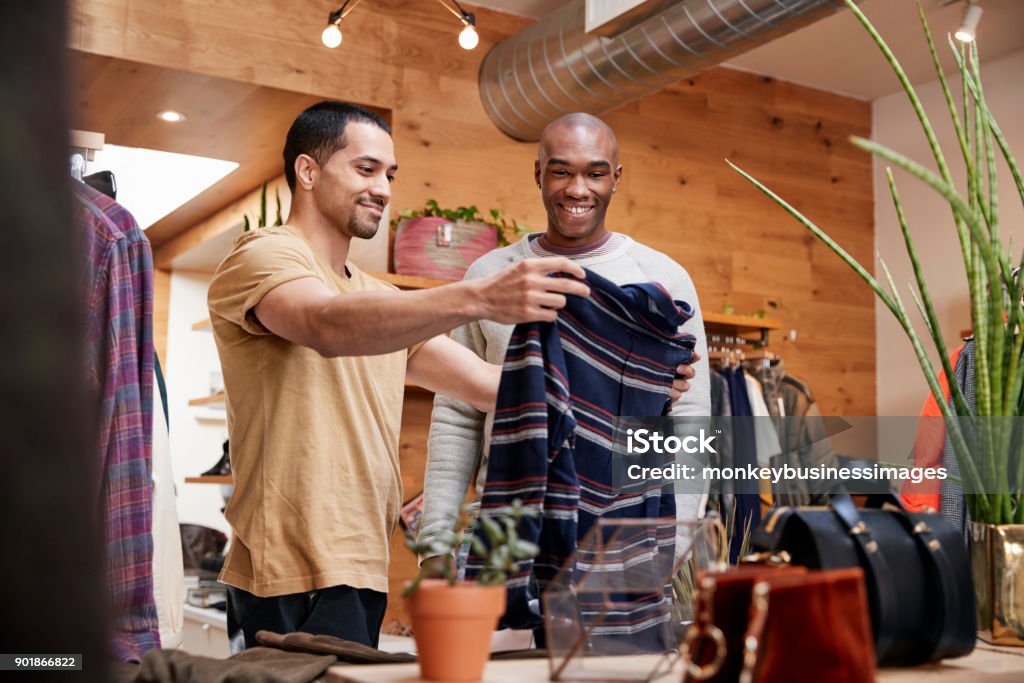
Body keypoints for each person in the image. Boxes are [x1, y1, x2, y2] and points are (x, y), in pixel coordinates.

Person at [206, 101, 594, 650]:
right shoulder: (264, 255)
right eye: (366, 169)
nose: (384, 189)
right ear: (308, 172)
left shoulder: (380, 302)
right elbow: (323, 322)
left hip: (361, 569)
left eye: (389, 175)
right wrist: (477, 297)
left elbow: (493, 388)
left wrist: (630, 380)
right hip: (283, 573)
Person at [419, 112, 710, 573]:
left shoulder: (663, 280)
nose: (578, 189)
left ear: (616, 178)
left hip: (622, 540)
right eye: (561, 171)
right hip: (502, 535)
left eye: (595, 173)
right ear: (538, 173)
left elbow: (691, 419)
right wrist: (435, 542)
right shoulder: (490, 277)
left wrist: (673, 547)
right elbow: (457, 414)